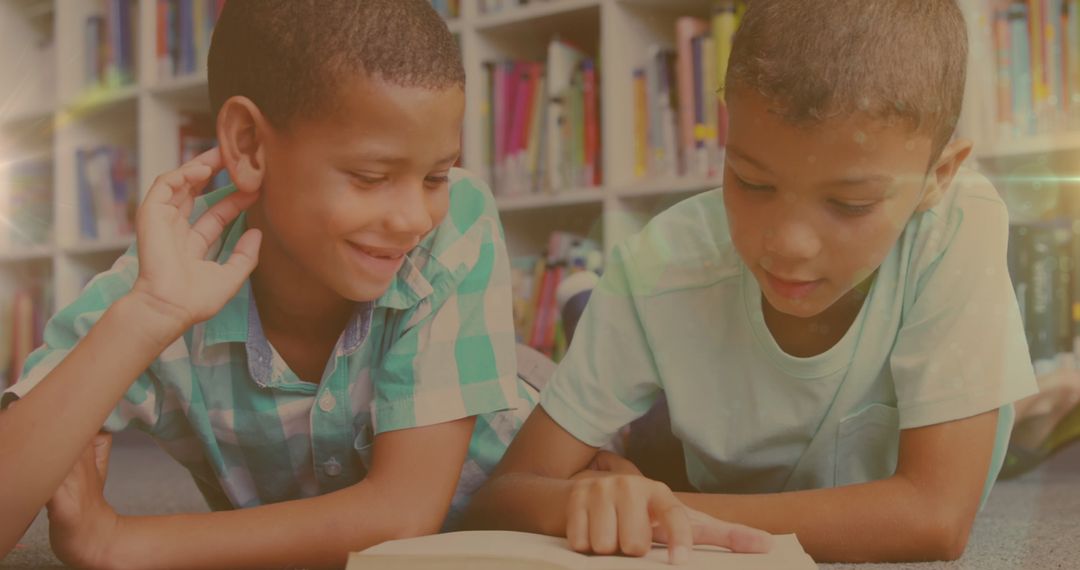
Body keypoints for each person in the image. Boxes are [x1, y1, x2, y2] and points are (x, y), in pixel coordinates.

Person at [467, 0, 1038, 563]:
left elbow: (935, 520)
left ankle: (586, 309)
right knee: (640, 442)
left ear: (938, 176)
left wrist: (666, 509)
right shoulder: (655, 268)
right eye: (751, 182)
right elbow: (505, 494)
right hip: (703, 391)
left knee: (653, 453)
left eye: (849, 203)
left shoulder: (958, 220)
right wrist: (579, 502)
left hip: (697, 449)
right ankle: (589, 308)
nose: (788, 244)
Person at [0, 1, 532, 567]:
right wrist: (147, 315)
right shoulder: (164, 277)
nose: (412, 218)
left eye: (434, 177)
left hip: (523, 451)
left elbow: (401, 515)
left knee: (596, 455)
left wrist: (119, 542)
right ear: (250, 145)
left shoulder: (453, 224)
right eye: (370, 177)